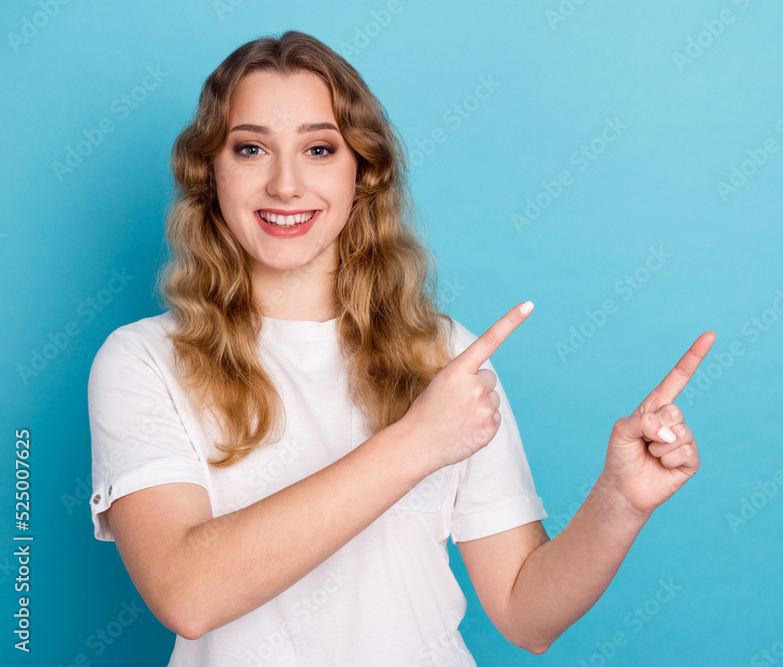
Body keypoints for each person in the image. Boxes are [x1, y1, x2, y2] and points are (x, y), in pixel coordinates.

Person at [87, 30, 715, 666]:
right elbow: (187, 592)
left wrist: (619, 501)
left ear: (362, 171)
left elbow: (527, 616)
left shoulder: (444, 356)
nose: (285, 184)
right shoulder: (143, 361)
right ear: (210, 173)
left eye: (318, 148)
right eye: (251, 148)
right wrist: (417, 442)